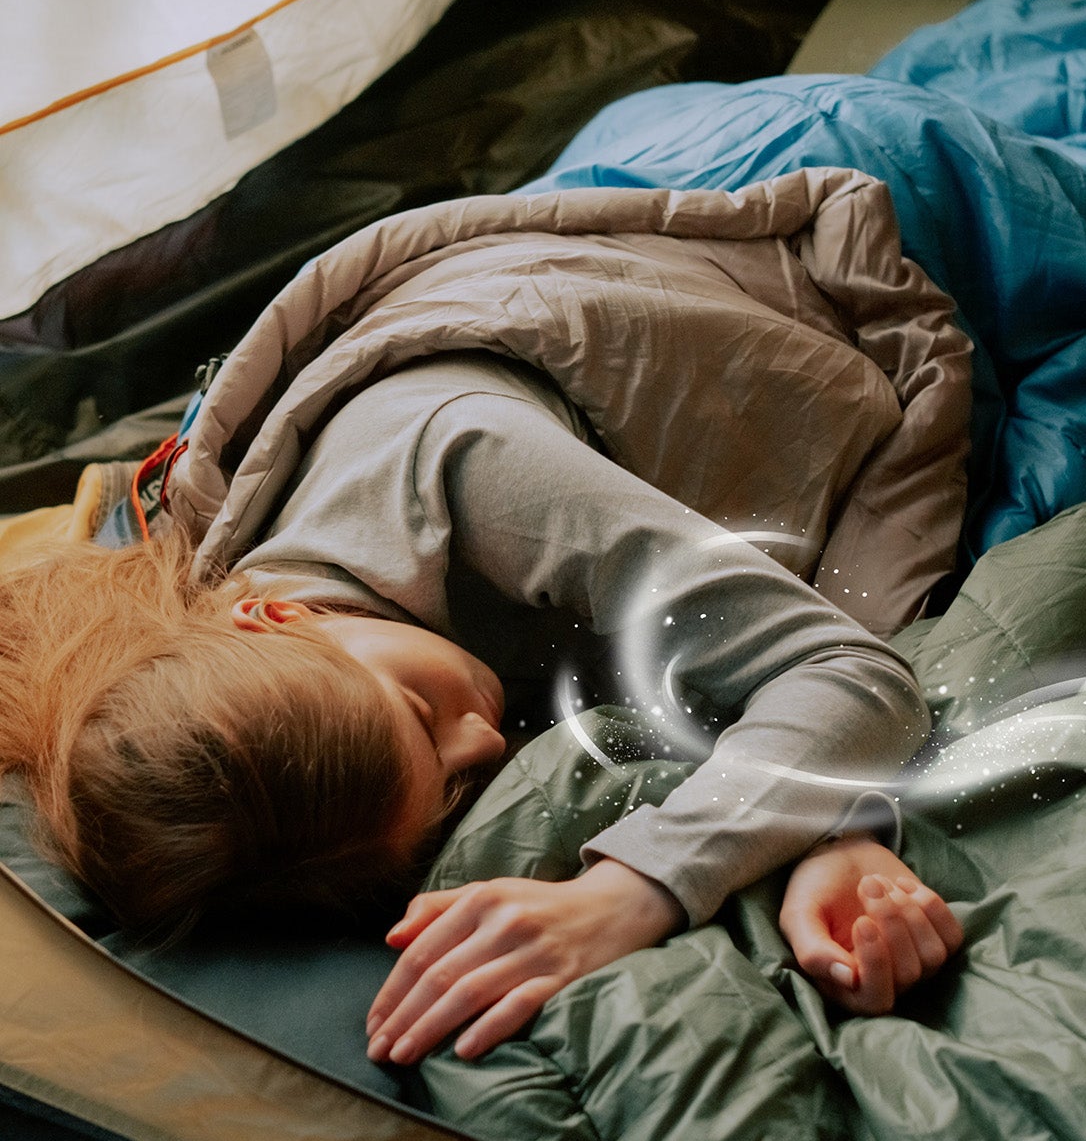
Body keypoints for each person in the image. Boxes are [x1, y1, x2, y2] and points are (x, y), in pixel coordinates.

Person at [0, 171, 972, 1070]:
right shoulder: (293, 714)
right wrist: (824, 831)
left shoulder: (463, 466)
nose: (484, 729)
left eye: (420, 712)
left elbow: (845, 668)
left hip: (753, 232)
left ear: (270, 614)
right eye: (458, 780)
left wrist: (633, 889)